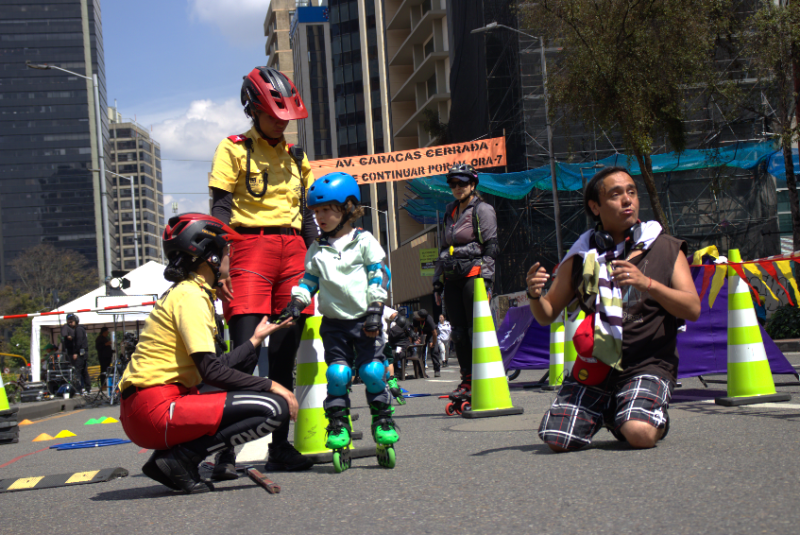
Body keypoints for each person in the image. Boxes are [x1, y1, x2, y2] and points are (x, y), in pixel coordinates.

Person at [119, 213, 299, 494]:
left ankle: (171, 460)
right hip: (156, 410)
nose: (231, 257)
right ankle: (180, 460)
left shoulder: (188, 292)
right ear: (210, 257)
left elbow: (214, 365)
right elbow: (212, 372)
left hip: (150, 407)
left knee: (258, 399)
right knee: (274, 409)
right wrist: (273, 384)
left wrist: (254, 340)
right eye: (227, 251)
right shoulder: (191, 297)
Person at [527, 166, 700, 452]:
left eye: (632, 192)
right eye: (616, 194)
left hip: (649, 364)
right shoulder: (582, 257)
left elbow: (692, 309)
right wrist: (535, 295)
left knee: (639, 434)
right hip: (598, 366)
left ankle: (642, 414)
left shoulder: (666, 247)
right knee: (557, 439)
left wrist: (648, 284)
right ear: (595, 207)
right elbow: (547, 315)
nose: (627, 200)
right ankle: (614, 409)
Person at [207, 66, 316, 475]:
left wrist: (319, 256)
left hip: (294, 253)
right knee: (245, 354)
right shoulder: (232, 148)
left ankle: (280, 446)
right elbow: (220, 211)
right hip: (248, 249)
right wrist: (219, 263)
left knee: (285, 352)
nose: (282, 123)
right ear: (254, 110)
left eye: (287, 116)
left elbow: (306, 217)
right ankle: (224, 451)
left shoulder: (299, 158)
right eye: (274, 115)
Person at [279, 172, 398, 471]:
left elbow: (378, 274)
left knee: (372, 371)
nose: (320, 217)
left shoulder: (364, 241)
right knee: (337, 375)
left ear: (347, 207)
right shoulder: (317, 249)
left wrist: (375, 307)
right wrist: (296, 303)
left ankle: (383, 421)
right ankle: (337, 425)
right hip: (334, 324)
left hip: (365, 319)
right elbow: (309, 281)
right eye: (316, 211)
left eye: (327, 210)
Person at [433, 164, 499, 397]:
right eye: (453, 184)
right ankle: (467, 381)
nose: (457, 187)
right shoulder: (449, 211)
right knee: (458, 332)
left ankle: (484, 378)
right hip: (452, 276)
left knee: (474, 330)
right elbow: (442, 248)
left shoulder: (482, 210)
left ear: (472, 185)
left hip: (474, 273)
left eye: (462, 183)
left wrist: (488, 279)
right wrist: (437, 281)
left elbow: (491, 247)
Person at [61, 313, 89, 394]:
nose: (70, 324)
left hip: (80, 353)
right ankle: (86, 388)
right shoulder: (79, 329)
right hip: (82, 353)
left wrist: (76, 352)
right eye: (69, 322)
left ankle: (79, 389)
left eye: (71, 322)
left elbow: (79, 342)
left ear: (75, 321)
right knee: (83, 371)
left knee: (78, 371)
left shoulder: (78, 329)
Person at [412, 309, 440, 377]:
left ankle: (437, 370)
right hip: (422, 333)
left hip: (431, 334)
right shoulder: (415, 319)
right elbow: (415, 330)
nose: (416, 316)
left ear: (423, 318)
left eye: (418, 316)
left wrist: (433, 343)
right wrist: (416, 339)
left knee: (434, 351)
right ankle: (422, 372)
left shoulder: (429, 320)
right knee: (421, 352)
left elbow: (434, 333)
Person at [95, 327, 114, 391]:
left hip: (108, 357)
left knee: (108, 371)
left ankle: (107, 383)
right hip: (103, 357)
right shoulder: (99, 338)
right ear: (104, 332)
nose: (107, 333)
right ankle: (103, 384)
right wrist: (105, 344)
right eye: (107, 332)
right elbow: (98, 347)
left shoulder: (106, 338)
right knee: (103, 371)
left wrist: (112, 351)